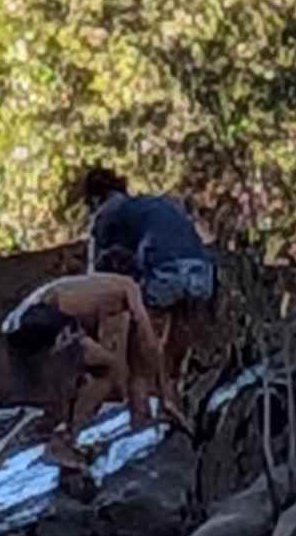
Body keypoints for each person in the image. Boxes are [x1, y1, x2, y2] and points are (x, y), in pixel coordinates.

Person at [80, 167, 216, 391]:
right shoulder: (156, 205)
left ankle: (141, 387)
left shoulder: (107, 213)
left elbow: (94, 278)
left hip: (167, 276)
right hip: (202, 274)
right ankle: (173, 383)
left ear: (95, 199)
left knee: (137, 322)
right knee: (176, 324)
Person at [3, 268, 171, 442]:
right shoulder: (130, 287)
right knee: (108, 369)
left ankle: (55, 424)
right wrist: (165, 395)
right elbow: (148, 341)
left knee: (90, 370)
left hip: (19, 323)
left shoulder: (98, 286)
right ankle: (67, 434)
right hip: (41, 319)